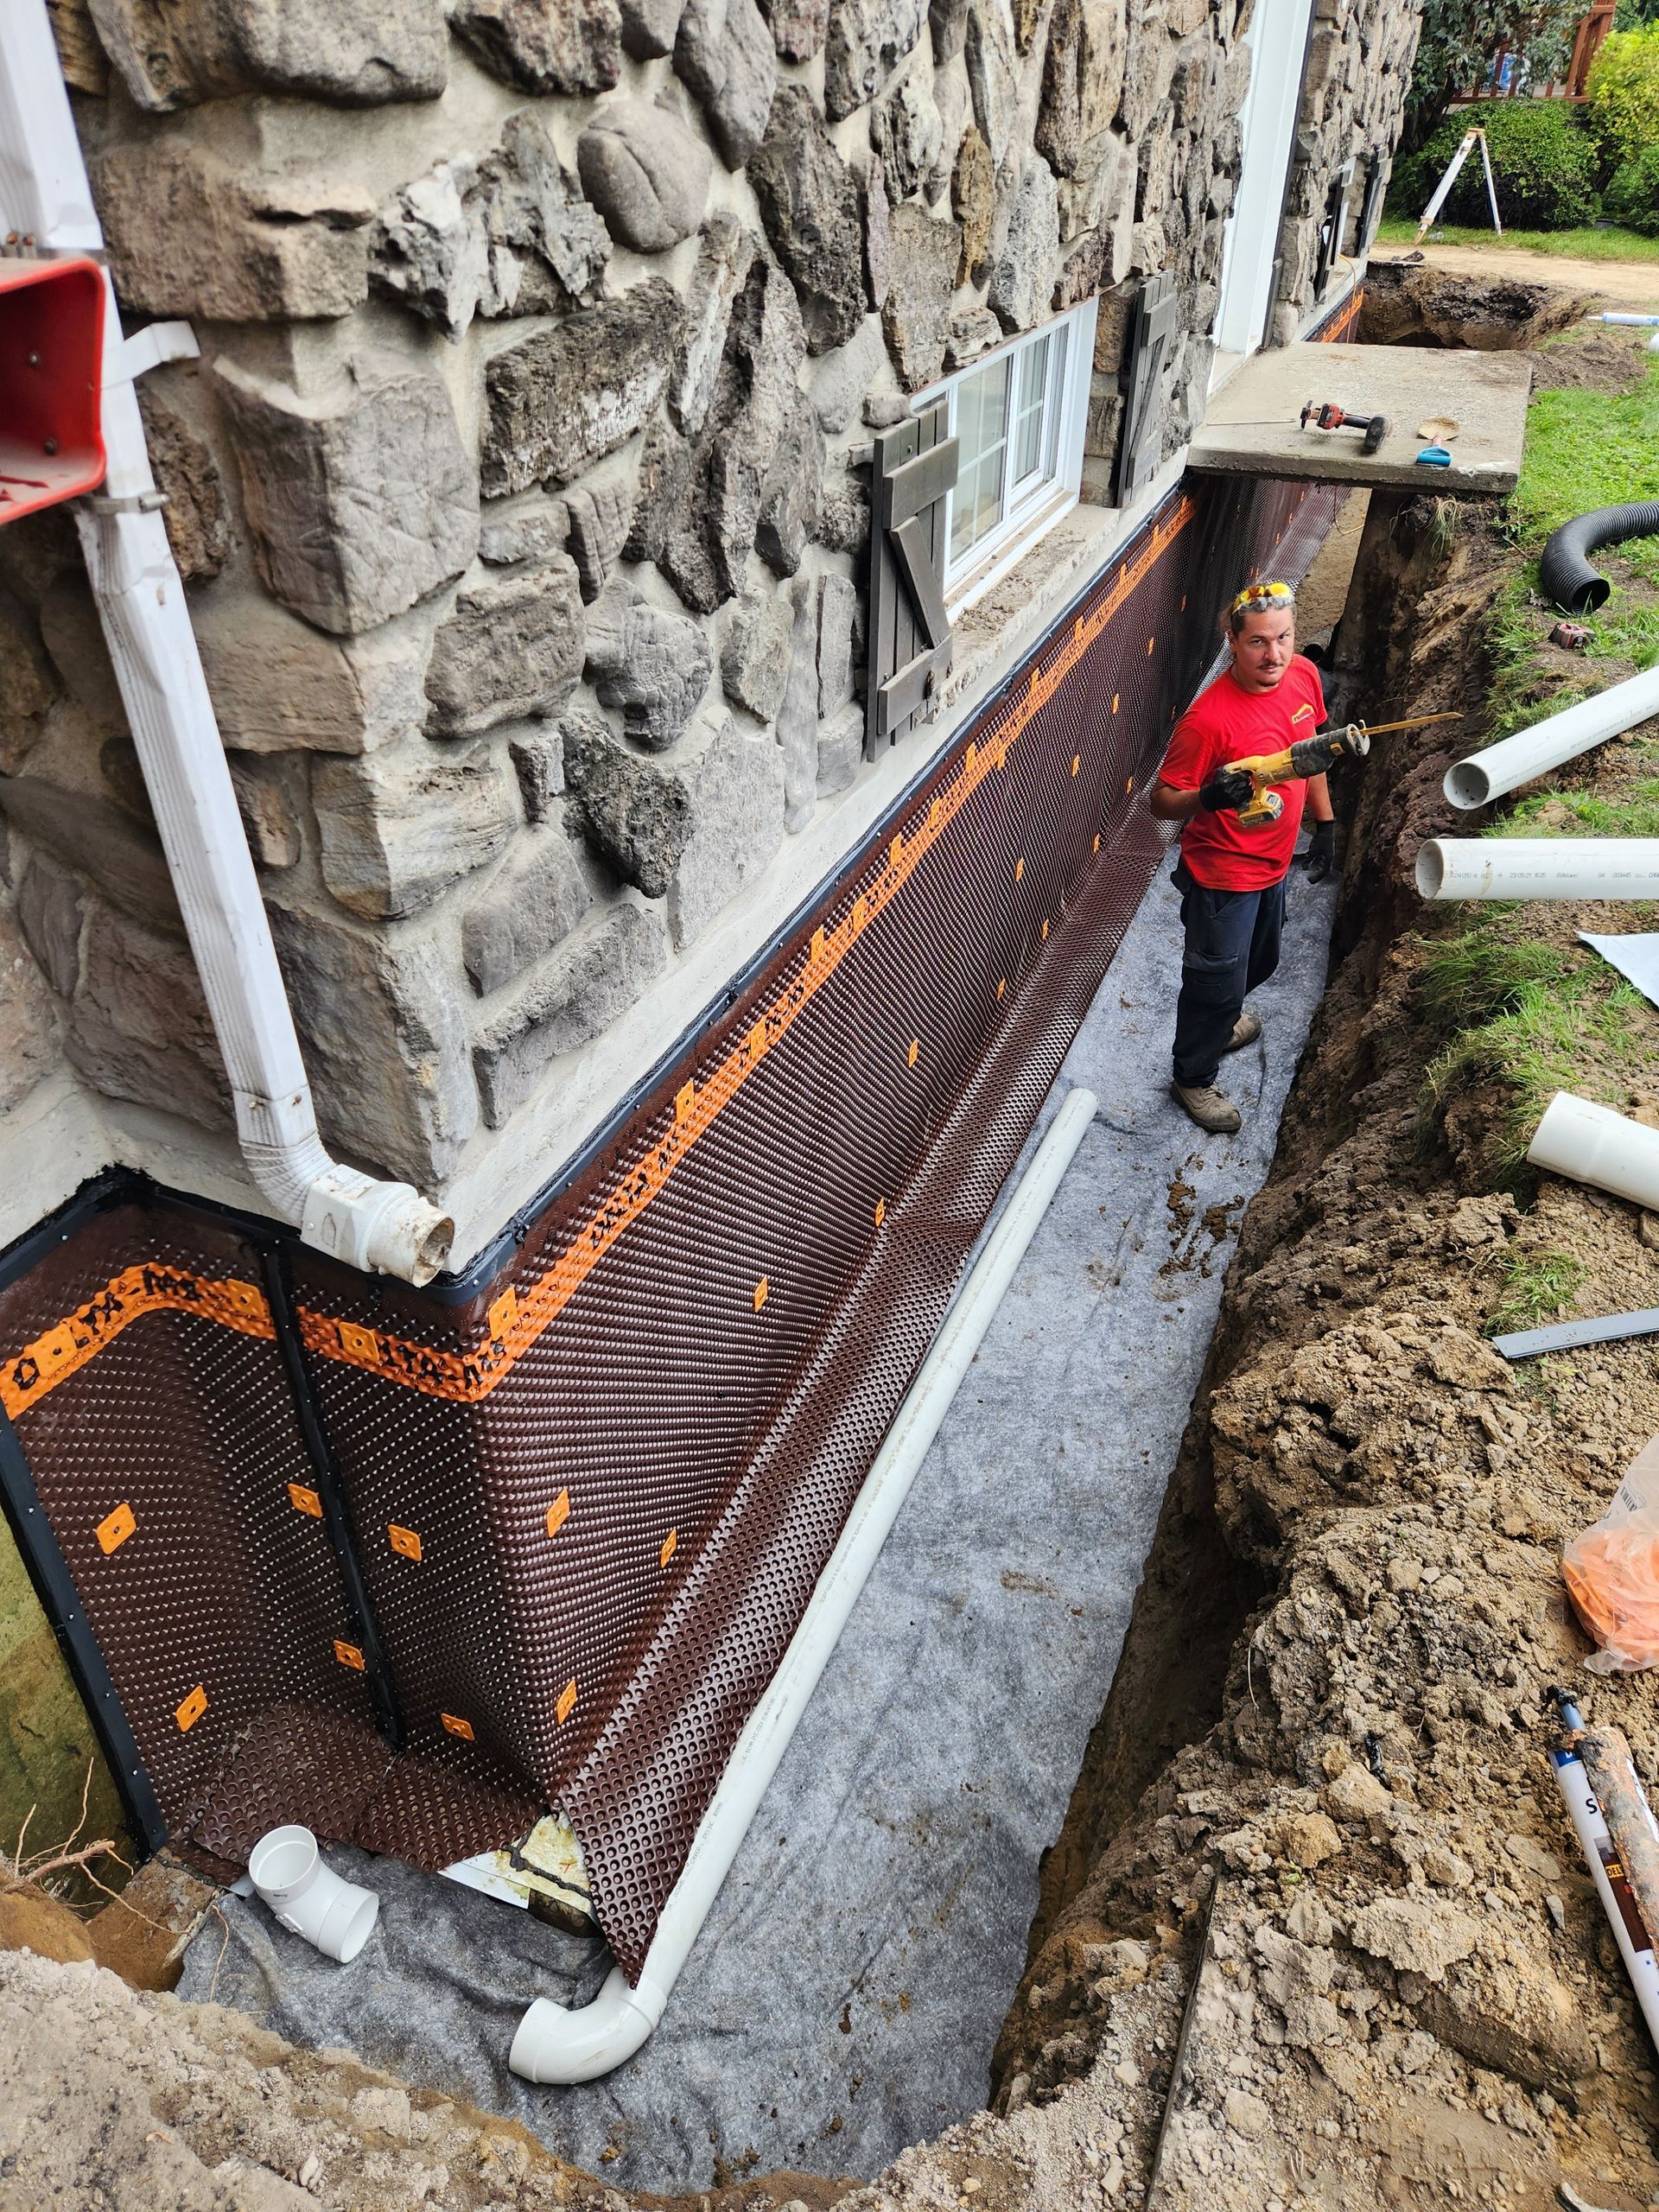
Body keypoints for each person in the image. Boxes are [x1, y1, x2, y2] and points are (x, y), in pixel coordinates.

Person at [1148, 579, 1335, 1136]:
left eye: (1283, 638)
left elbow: (1313, 755)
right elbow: (1161, 799)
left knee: (1262, 964)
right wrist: (1205, 797)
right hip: (1225, 874)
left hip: (1274, 865)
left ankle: (1222, 1020)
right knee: (1214, 984)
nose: (1273, 655)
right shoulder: (1209, 720)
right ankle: (1192, 1074)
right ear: (1232, 640)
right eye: (1257, 642)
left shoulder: (1303, 676)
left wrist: (1324, 823)